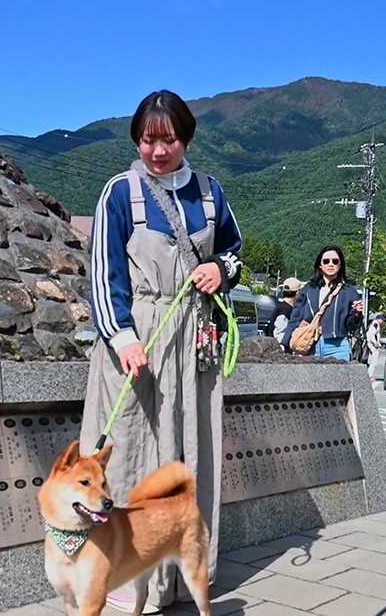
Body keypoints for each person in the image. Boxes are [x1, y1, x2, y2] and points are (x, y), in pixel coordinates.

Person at [81, 90, 243, 614]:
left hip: (194, 340)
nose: (157, 151)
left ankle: (183, 573)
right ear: (137, 140)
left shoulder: (211, 193)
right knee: (128, 453)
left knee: (190, 452)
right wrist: (122, 336)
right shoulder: (120, 192)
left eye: (168, 139)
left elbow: (234, 252)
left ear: (186, 138)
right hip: (138, 342)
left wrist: (220, 270)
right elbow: (103, 273)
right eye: (148, 140)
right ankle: (125, 578)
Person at [281, 247, 364, 360]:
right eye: (326, 261)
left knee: (338, 372)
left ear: (340, 265)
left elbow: (352, 326)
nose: (331, 264)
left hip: (338, 346)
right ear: (320, 265)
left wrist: (357, 313)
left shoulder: (349, 292)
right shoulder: (308, 289)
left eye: (335, 261)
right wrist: (285, 342)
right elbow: (295, 317)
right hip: (309, 343)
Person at [264, 277, 301, 345]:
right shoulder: (285, 311)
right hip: (279, 348)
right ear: (297, 293)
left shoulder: (280, 306)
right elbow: (279, 335)